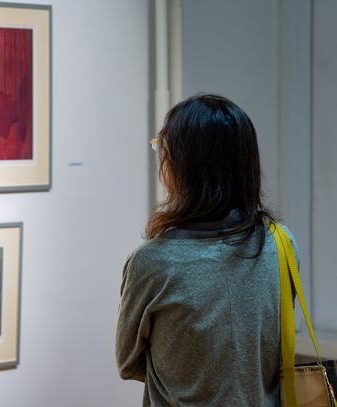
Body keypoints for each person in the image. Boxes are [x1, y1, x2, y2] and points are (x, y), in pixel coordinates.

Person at [115, 94, 296, 406]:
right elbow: (270, 347)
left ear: (181, 165)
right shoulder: (280, 244)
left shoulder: (152, 262)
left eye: (163, 148)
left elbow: (128, 362)